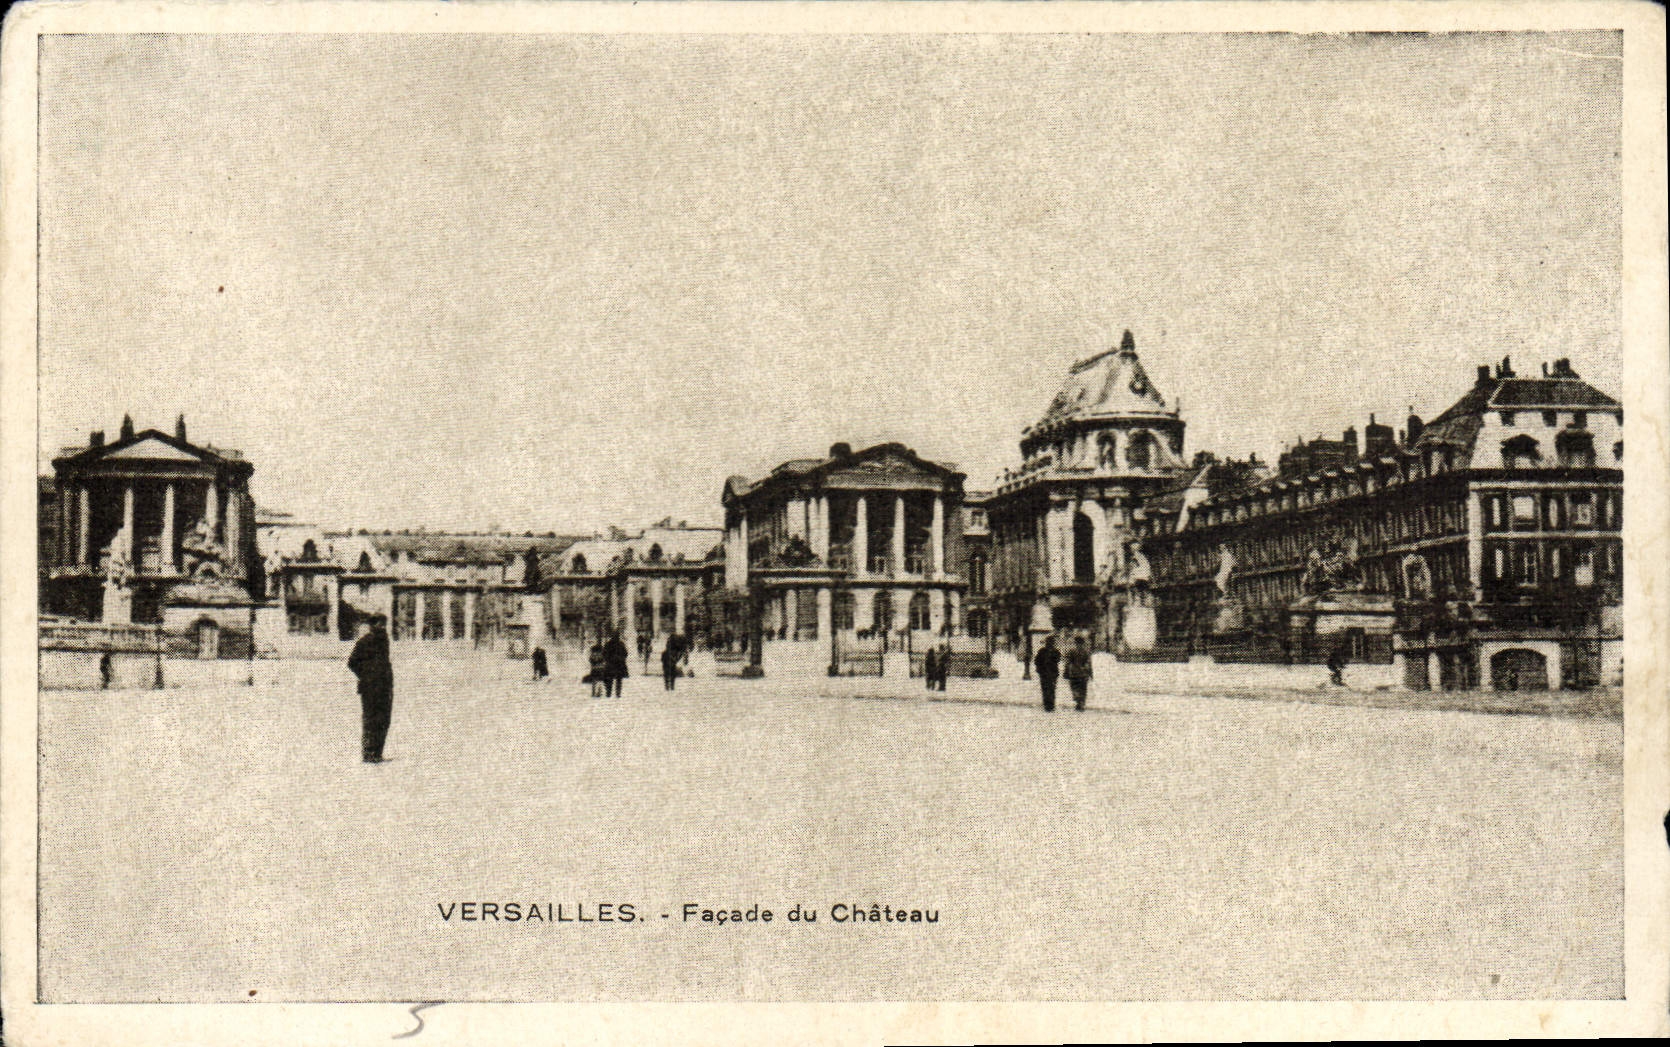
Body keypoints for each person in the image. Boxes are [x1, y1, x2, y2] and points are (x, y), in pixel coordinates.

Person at [347, 614, 393, 763]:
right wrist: (366, 676)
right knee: (370, 719)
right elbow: (352, 662)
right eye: (380, 624)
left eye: (385, 624)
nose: (383, 627)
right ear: (372, 625)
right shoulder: (365, 641)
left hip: (384, 687)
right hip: (370, 688)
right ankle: (368, 754)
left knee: (384, 719)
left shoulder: (384, 641)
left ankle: (378, 753)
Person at [1063, 634, 1093, 712]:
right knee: (1083, 689)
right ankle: (1081, 703)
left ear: (1076, 642)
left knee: (1074, 688)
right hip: (1083, 673)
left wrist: (1066, 672)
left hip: (1074, 673)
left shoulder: (1072, 651)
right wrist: (1090, 673)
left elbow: (1068, 662)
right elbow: (1089, 663)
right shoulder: (1086, 651)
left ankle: (1078, 701)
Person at [1033, 634, 1061, 712]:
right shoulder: (1042, 651)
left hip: (1052, 673)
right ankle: (1047, 705)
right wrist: (1040, 669)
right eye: (1049, 642)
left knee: (1051, 689)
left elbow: (1058, 659)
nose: (1050, 644)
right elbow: (1036, 661)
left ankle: (1051, 705)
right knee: (1045, 689)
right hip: (1044, 673)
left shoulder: (1055, 651)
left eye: (1051, 642)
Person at [603, 631, 630, 697]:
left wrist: (607, 659)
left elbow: (604, 653)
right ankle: (618, 693)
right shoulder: (621, 644)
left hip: (610, 664)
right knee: (619, 680)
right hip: (619, 665)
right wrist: (621, 658)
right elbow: (625, 653)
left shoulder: (608, 644)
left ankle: (608, 693)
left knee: (609, 679)